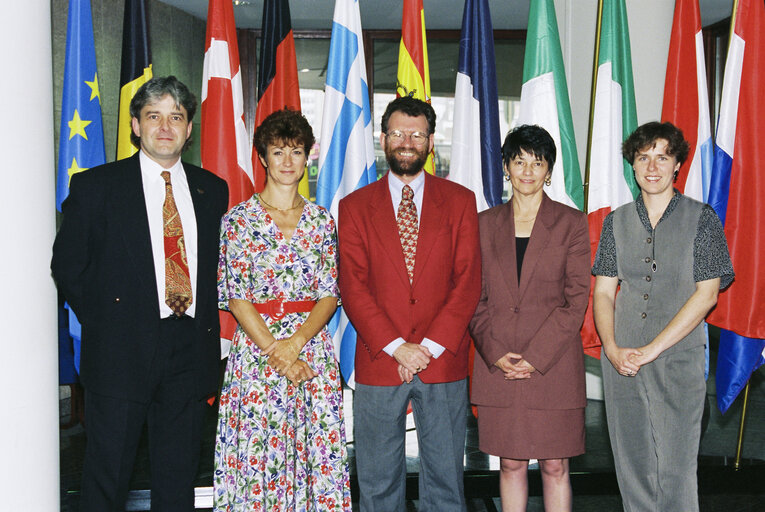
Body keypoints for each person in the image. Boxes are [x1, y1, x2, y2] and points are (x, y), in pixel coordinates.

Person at [51, 76, 229, 511]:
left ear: (190, 129)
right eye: (154, 116)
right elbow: (68, 267)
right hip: (119, 353)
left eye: (176, 117)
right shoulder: (96, 187)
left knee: (177, 482)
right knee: (107, 479)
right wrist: (110, 323)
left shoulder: (212, 190)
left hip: (188, 353)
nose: (165, 127)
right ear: (135, 125)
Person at [338, 96, 481, 512]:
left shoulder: (459, 201)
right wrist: (398, 346)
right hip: (380, 361)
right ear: (383, 138)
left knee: (446, 486)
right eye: (398, 133)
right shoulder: (354, 207)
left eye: (417, 134)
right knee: (378, 487)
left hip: (443, 362)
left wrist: (427, 348)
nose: (407, 142)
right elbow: (353, 286)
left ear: (431, 142)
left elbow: (468, 281)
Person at [592, 121, 734, 511]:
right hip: (621, 359)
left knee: (675, 468)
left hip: (678, 359)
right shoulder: (614, 221)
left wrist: (653, 348)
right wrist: (612, 347)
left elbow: (707, 295)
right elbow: (603, 291)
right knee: (632, 465)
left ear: (677, 166)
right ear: (632, 166)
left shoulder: (702, 219)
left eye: (662, 157)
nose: (652, 166)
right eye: (643, 158)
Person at [214, 109, 351, 511]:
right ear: (262, 158)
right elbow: (236, 296)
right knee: (259, 456)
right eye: (278, 152)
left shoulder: (322, 222)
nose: (288, 162)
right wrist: (279, 351)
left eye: (296, 151)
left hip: (311, 351)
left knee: (314, 454)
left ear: (308, 156)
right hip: (258, 355)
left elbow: (329, 294)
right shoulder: (238, 221)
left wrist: (297, 343)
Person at [469, 125, 590, 512]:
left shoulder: (572, 224)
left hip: (552, 365)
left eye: (537, 163)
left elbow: (576, 300)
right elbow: (472, 296)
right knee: (509, 463)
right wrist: (496, 352)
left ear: (549, 170)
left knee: (555, 465)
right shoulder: (483, 224)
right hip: (498, 363)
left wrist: (535, 358)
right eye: (518, 161)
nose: (527, 171)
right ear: (506, 166)